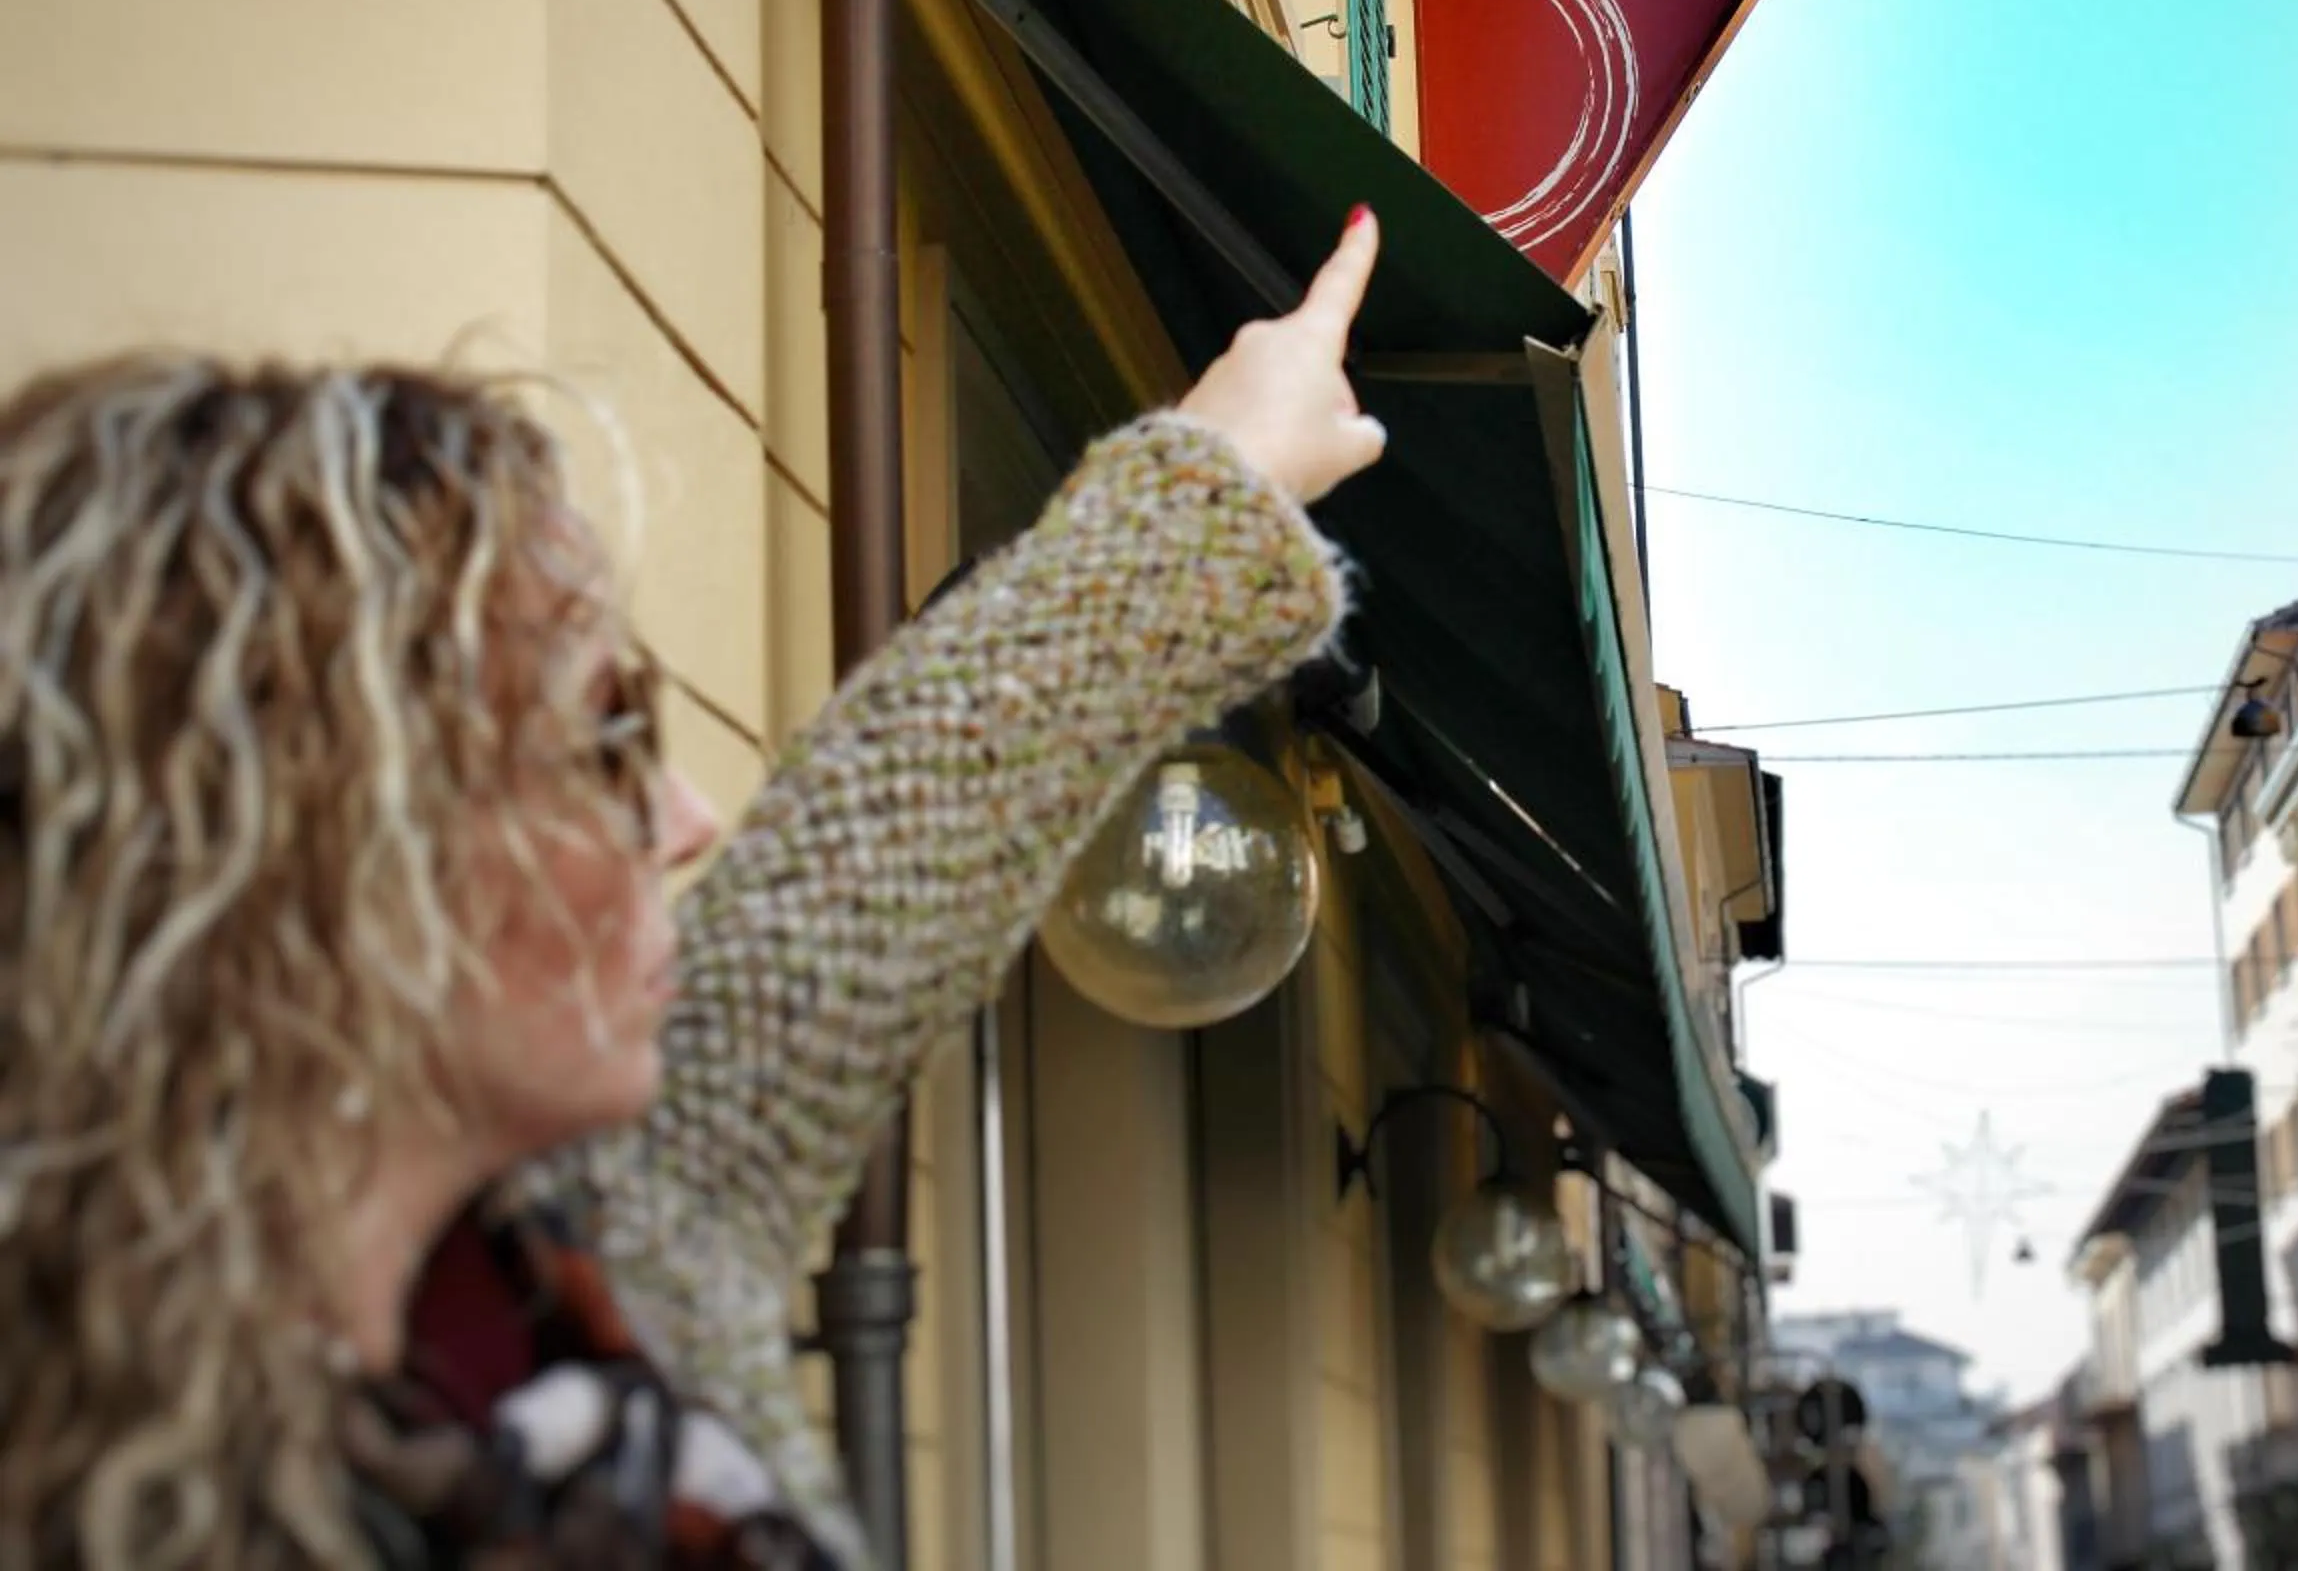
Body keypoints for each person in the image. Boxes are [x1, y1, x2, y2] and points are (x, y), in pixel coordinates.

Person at [0, 210, 1393, 1569]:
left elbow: (883, 845)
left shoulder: (597, 1240)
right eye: (601, 741)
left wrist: (1224, 468)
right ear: (321, 846)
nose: (689, 823)